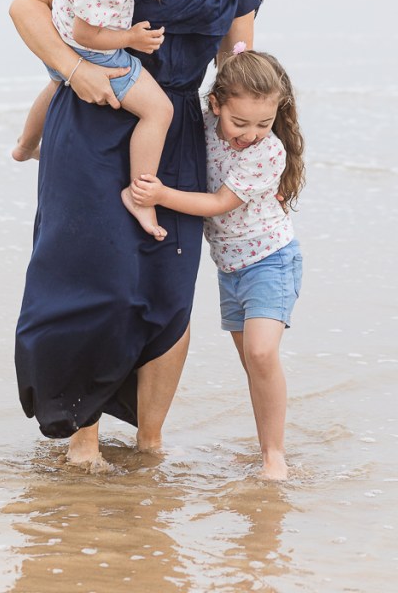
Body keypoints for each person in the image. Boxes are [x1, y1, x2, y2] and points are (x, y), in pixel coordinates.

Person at [11, 0, 271, 469]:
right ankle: (82, 439)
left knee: (167, 292)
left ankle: (150, 442)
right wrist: (73, 70)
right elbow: (29, 4)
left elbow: (238, 77)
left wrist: (262, 152)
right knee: (96, 280)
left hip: (175, 136)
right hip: (95, 121)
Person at [130, 49, 305, 480]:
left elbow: (219, 203)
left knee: (262, 353)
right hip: (230, 269)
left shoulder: (269, 152)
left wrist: (159, 196)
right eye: (239, 122)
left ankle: (274, 456)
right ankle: (266, 445)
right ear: (216, 105)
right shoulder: (204, 128)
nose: (251, 134)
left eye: (263, 123)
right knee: (254, 365)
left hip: (271, 260)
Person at [11, 0, 197, 240]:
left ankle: (25, 145)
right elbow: (88, 34)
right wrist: (131, 38)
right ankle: (139, 194)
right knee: (159, 111)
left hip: (57, 31)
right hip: (90, 50)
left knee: (55, 82)